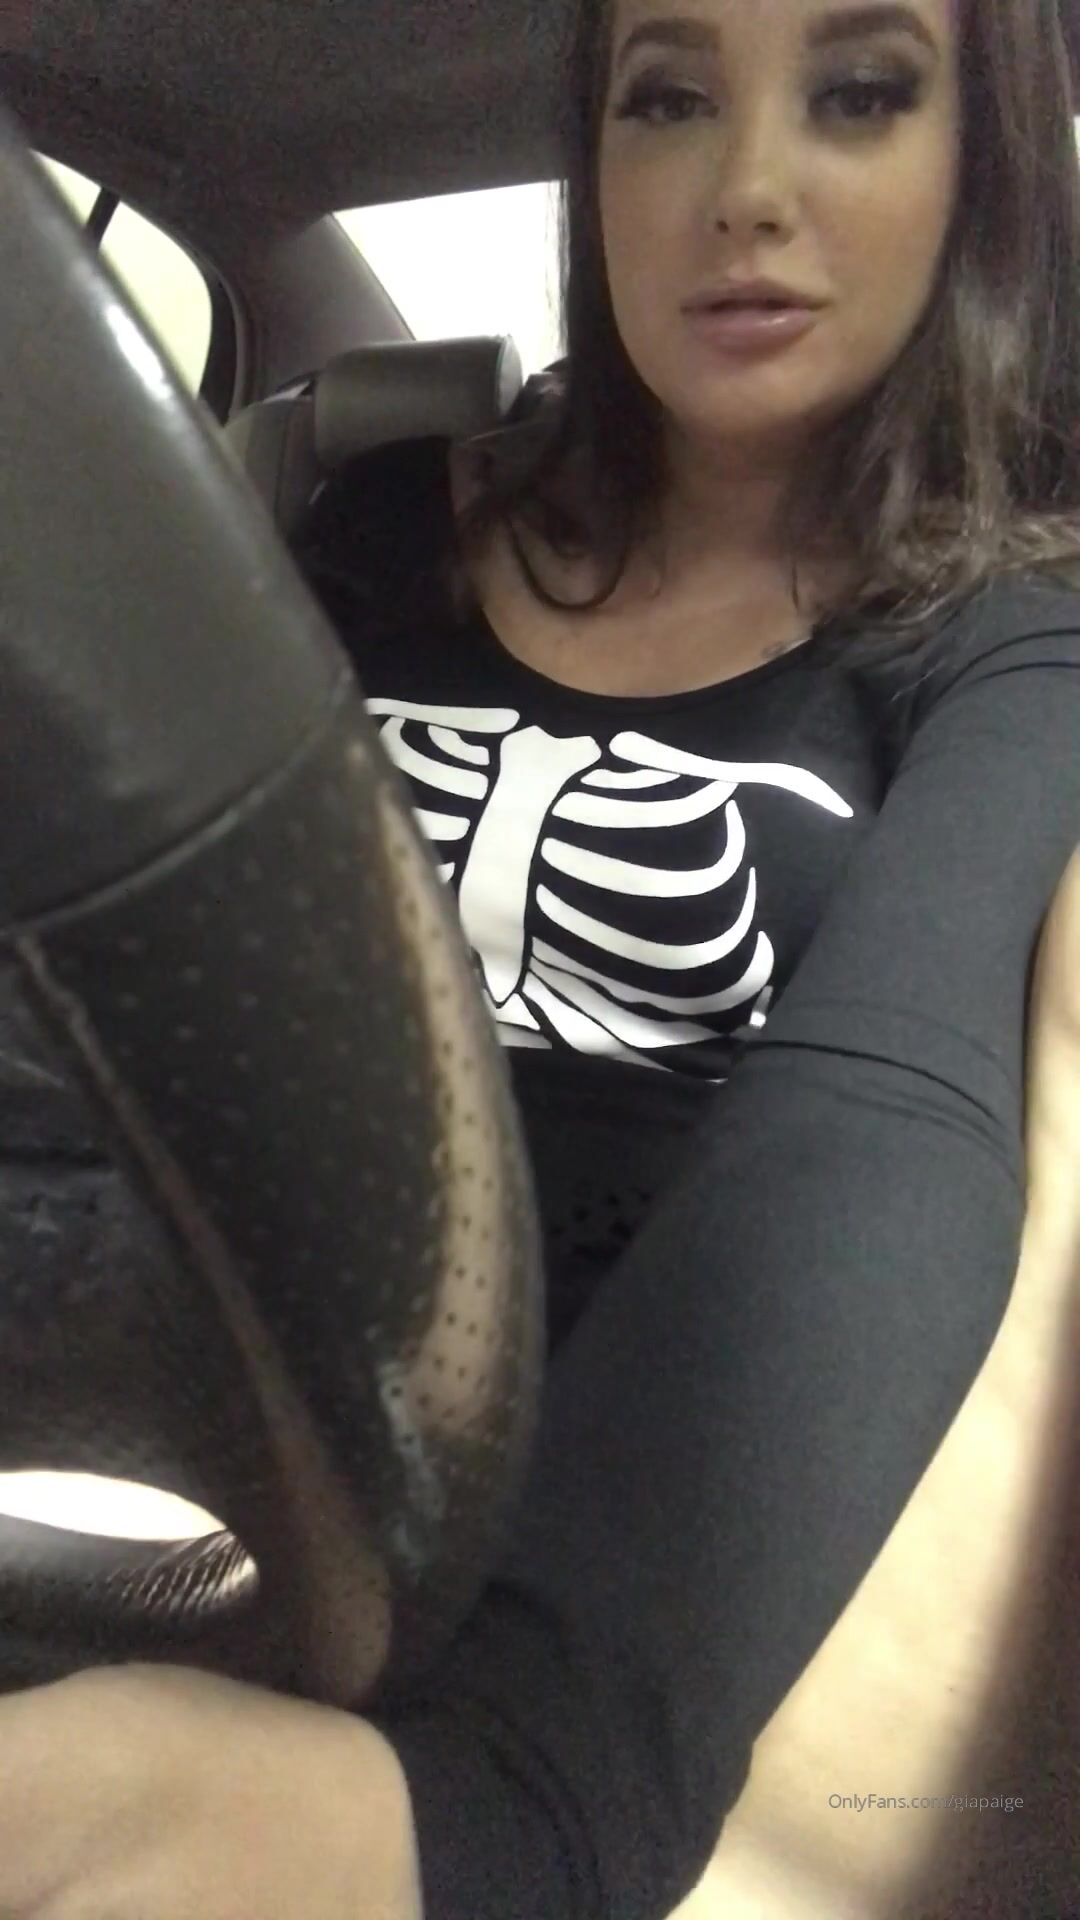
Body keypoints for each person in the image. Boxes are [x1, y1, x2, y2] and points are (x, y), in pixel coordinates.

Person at [0, 2, 1078, 1919]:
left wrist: (524, 1788)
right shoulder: (383, 515)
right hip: (149, 1331)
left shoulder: (1009, 635)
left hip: (537, 1522)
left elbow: (889, 1127)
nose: (746, 189)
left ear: (975, 166)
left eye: (858, 93)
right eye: (666, 99)